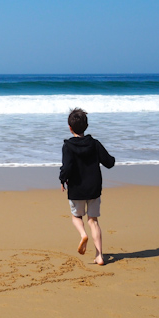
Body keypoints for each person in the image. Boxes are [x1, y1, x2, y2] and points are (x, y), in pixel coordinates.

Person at [59, 108, 115, 265]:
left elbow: (67, 167)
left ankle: (83, 234)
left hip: (76, 188)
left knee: (76, 216)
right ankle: (99, 255)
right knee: (93, 221)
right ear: (87, 125)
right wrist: (112, 159)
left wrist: (62, 179)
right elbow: (109, 163)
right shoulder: (95, 144)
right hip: (93, 188)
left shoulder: (68, 146)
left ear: (70, 128)